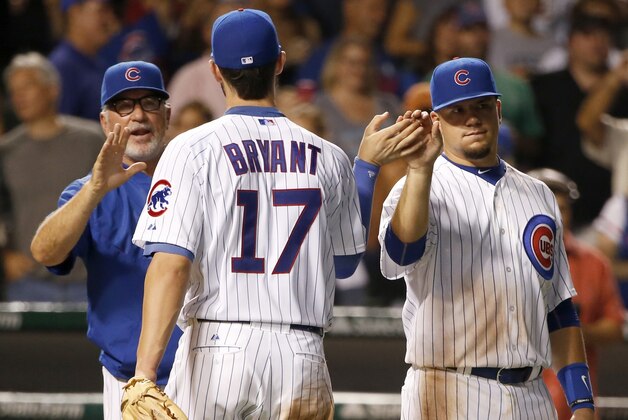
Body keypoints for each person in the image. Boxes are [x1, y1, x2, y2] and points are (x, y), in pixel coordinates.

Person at [129, 8, 424, 418]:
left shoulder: (191, 148)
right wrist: (366, 169)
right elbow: (344, 263)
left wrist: (144, 373)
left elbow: (171, 266)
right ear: (280, 62)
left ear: (216, 71)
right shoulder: (330, 156)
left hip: (219, 349)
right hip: (300, 356)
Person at [379, 57, 594, 419]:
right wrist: (419, 170)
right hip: (446, 389)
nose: (471, 118)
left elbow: (558, 308)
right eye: (456, 111)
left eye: (480, 105)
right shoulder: (417, 188)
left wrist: (582, 400)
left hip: (531, 395)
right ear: (436, 121)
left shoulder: (539, 194)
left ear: (498, 109)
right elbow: (400, 254)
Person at [30, 60, 182, 420]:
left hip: (206, 372)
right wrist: (95, 189)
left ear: (167, 114)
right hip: (127, 381)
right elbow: (45, 251)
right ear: (104, 121)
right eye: (123, 106)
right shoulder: (86, 194)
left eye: (149, 103)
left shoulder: (202, 180)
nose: (138, 116)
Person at [0, 52, 103, 302]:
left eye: (28, 86)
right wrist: (5, 254)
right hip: (29, 282)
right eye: (14, 90)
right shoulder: (6, 151)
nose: (19, 96)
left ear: (53, 90)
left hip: (89, 279)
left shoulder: (91, 140)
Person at [527, 168, 625, 420]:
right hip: (516, 402)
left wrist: (567, 331)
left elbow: (615, 327)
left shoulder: (595, 263)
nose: (557, 215)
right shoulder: (502, 260)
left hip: (575, 406)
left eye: (564, 208)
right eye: (548, 205)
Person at [49, 0, 117, 120]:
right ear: (75, 13)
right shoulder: (62, 66)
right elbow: (62, 132)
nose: (110, 19)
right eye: (101, 11)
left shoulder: (102, 59)